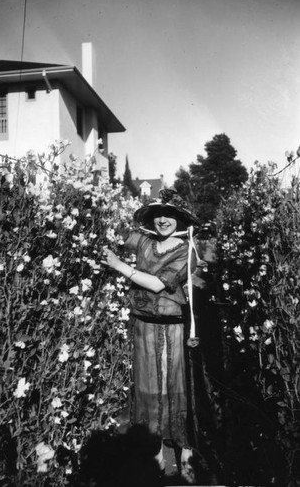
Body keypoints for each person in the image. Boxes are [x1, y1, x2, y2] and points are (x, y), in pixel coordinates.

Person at [101, 188, 201, 483]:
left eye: (169, 215)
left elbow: (159, 284)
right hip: (142, 326)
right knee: (147, 387)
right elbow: (112, 235)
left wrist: (120, 267)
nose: (162, 220)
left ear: (180, 220)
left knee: (177, 386)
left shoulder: (187, 251)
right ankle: (155, 453)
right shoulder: (143, 241)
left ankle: (186, 453)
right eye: (157, 214)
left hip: (173, 328)